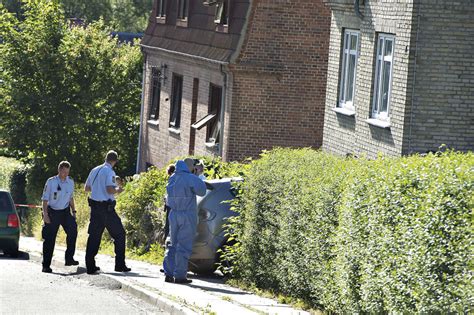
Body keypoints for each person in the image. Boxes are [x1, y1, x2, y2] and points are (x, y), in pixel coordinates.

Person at [84, 150, 130, 274]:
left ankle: (90, 266)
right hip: (106, 209)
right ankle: (119, 265)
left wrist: (97, 189)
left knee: (94, 236)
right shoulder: (110, 172)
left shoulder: (95, 170)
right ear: (114, 161)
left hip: (94, 207)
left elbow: (86, 188)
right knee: (120, 234)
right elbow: (110, 189)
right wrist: (118, 190)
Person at [163, 159, 206, 284]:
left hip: (174, 214)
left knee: (172, 244)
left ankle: (168, 273)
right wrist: (196, 176)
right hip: (187, 214)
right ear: (191, 167)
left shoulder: (172, 177)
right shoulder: (190, 178)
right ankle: (180, 275)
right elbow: (202, 191)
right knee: (184, 245)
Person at [41, 161, 78, 273]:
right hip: (53, 212)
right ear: (59, 170)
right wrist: (45, 215)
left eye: (67, 172)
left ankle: (69, 258)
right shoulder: (51, 182)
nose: (65, 174)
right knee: (49, 239)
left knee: (73, 231)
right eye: (63, 172)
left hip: (65, 212)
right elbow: (45, 199)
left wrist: (74, 211)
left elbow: (70, 197)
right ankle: (46, 265)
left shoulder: (70, 182)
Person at [163, 164, 175, 240]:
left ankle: (167, 240)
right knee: (169, 224)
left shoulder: (172, 180)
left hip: (171, 205)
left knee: (169, 224)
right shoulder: (175, 179)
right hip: (171, 205)